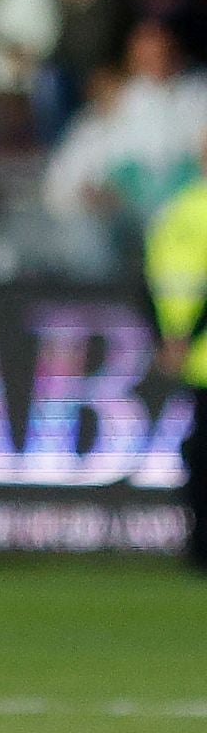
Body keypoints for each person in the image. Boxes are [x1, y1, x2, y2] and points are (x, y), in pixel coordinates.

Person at [144, 136, 207, 571]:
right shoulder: (183, 209)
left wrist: (171, 340)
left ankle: (198, 546)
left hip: (187, 355)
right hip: (194, 354)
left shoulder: (174, 211)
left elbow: (148, 281)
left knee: (197, 455)